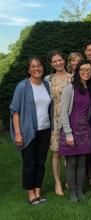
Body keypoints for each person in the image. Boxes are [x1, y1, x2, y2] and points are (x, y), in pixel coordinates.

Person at [10, 57, 51, 205]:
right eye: (33, 66)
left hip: (45, 130)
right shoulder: (22, 86)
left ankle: (38, 192)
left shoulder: (46, 85)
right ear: (28, 70)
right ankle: (31, 194)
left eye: (39, 65)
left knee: (41, 162)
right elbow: (15, 111)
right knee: (29, 163)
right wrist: (18, 133)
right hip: (28, 131)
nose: (37, 68)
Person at [59, 60, 91, 202]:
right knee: (71, 163)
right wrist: (68, 133)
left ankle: (80, 191)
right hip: (71, 129)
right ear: (77, 71)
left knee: (82, 163)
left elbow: (90, 110)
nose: (86, 72)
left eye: (89, 70)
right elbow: (63, 112)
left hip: (85, 130)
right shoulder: (70, 88)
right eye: (83, 70)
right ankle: (72, 192)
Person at [45, 51, 72, 196]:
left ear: (64, 60)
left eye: (60, 60)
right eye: (54, 61)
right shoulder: (48, 79)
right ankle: (57, 182)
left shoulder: (72, 78)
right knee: (56, 152)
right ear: (51, 64)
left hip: (69, 117)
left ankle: (69, 180)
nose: (58, 63)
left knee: (69, 152)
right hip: (54, 118)